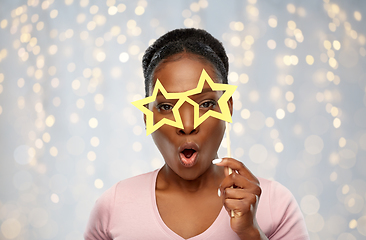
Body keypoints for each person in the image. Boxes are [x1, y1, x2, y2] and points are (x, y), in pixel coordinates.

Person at [84, 28, 309, 240]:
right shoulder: (113, 206)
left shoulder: (275, 204)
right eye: (166, 107)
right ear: (147, 118)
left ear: (227, 108)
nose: (188, 125)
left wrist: (251, 233)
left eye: (206, 103)